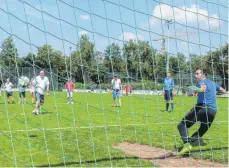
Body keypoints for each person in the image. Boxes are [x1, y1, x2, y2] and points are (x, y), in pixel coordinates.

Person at [176, 68, 227, 157]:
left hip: (202, 108)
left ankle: (186, 144)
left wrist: (195, 88)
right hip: (213, 111)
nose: (195, 76)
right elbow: (224, 91)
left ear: (203, 75)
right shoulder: (213, 83)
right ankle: (188, 144)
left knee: (182, 124)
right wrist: (214, 92)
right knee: (201, 132)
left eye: (197, 74)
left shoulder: (201, 82)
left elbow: (202, 89)